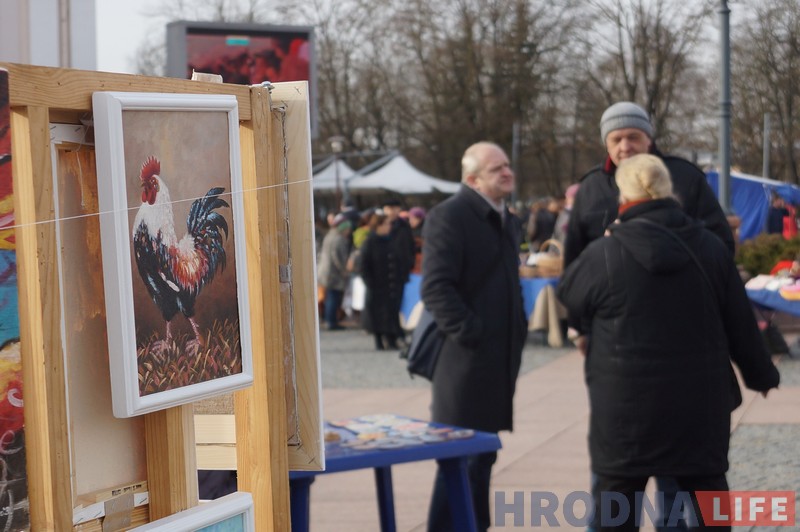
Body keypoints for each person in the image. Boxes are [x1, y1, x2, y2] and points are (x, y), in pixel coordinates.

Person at [556, 153, 780, 532]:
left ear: (623, 199)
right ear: (669, 191)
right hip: (699, 405)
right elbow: (741, 323)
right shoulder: (710, 249)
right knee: (709, 511)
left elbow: (570, 299)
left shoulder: (603, 254)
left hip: (624, 410)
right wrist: (761, 375)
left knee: (616, 511)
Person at [563, 102, 736, 530]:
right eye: (616, 139)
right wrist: (581, 328)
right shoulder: (590, 189)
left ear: (649, 139)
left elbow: (720, 249)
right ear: (606, 143)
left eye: (633, 137)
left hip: (682, 336)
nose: (625, 145)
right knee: (619, 453)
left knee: (680, 468)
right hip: (615, 341)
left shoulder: (687, 178)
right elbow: (573, 267)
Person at [422, 141, 528, 531]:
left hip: (495, 361)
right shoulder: (450, 216)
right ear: (472, 180)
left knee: (482, 458)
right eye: (495, 168)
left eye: (506, 165)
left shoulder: (505, 218)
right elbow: (435, 289)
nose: (506, 172)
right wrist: (474, 334)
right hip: (464, 362)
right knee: (461, 460)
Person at [359, 210, 408, 350]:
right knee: (378, 314)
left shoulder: (391, 240)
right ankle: (380, 339)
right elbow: (364, 265)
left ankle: (392, 339)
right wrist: (370, 282)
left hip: (392, 285)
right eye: (386, 224)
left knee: (392, 312)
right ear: (378, 226)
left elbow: (398, 260)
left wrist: (400, 278)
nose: (389, 227)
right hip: (377, 285)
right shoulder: (369, 242)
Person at [316, 216, 352, 331]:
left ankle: (330, 320)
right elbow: (339, 258)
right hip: (333, 274)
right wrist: (344, 270)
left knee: (331, 297)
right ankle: (331, 322)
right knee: (333, 297)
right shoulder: (338, 239)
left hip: (326, 271)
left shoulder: (330, 235)